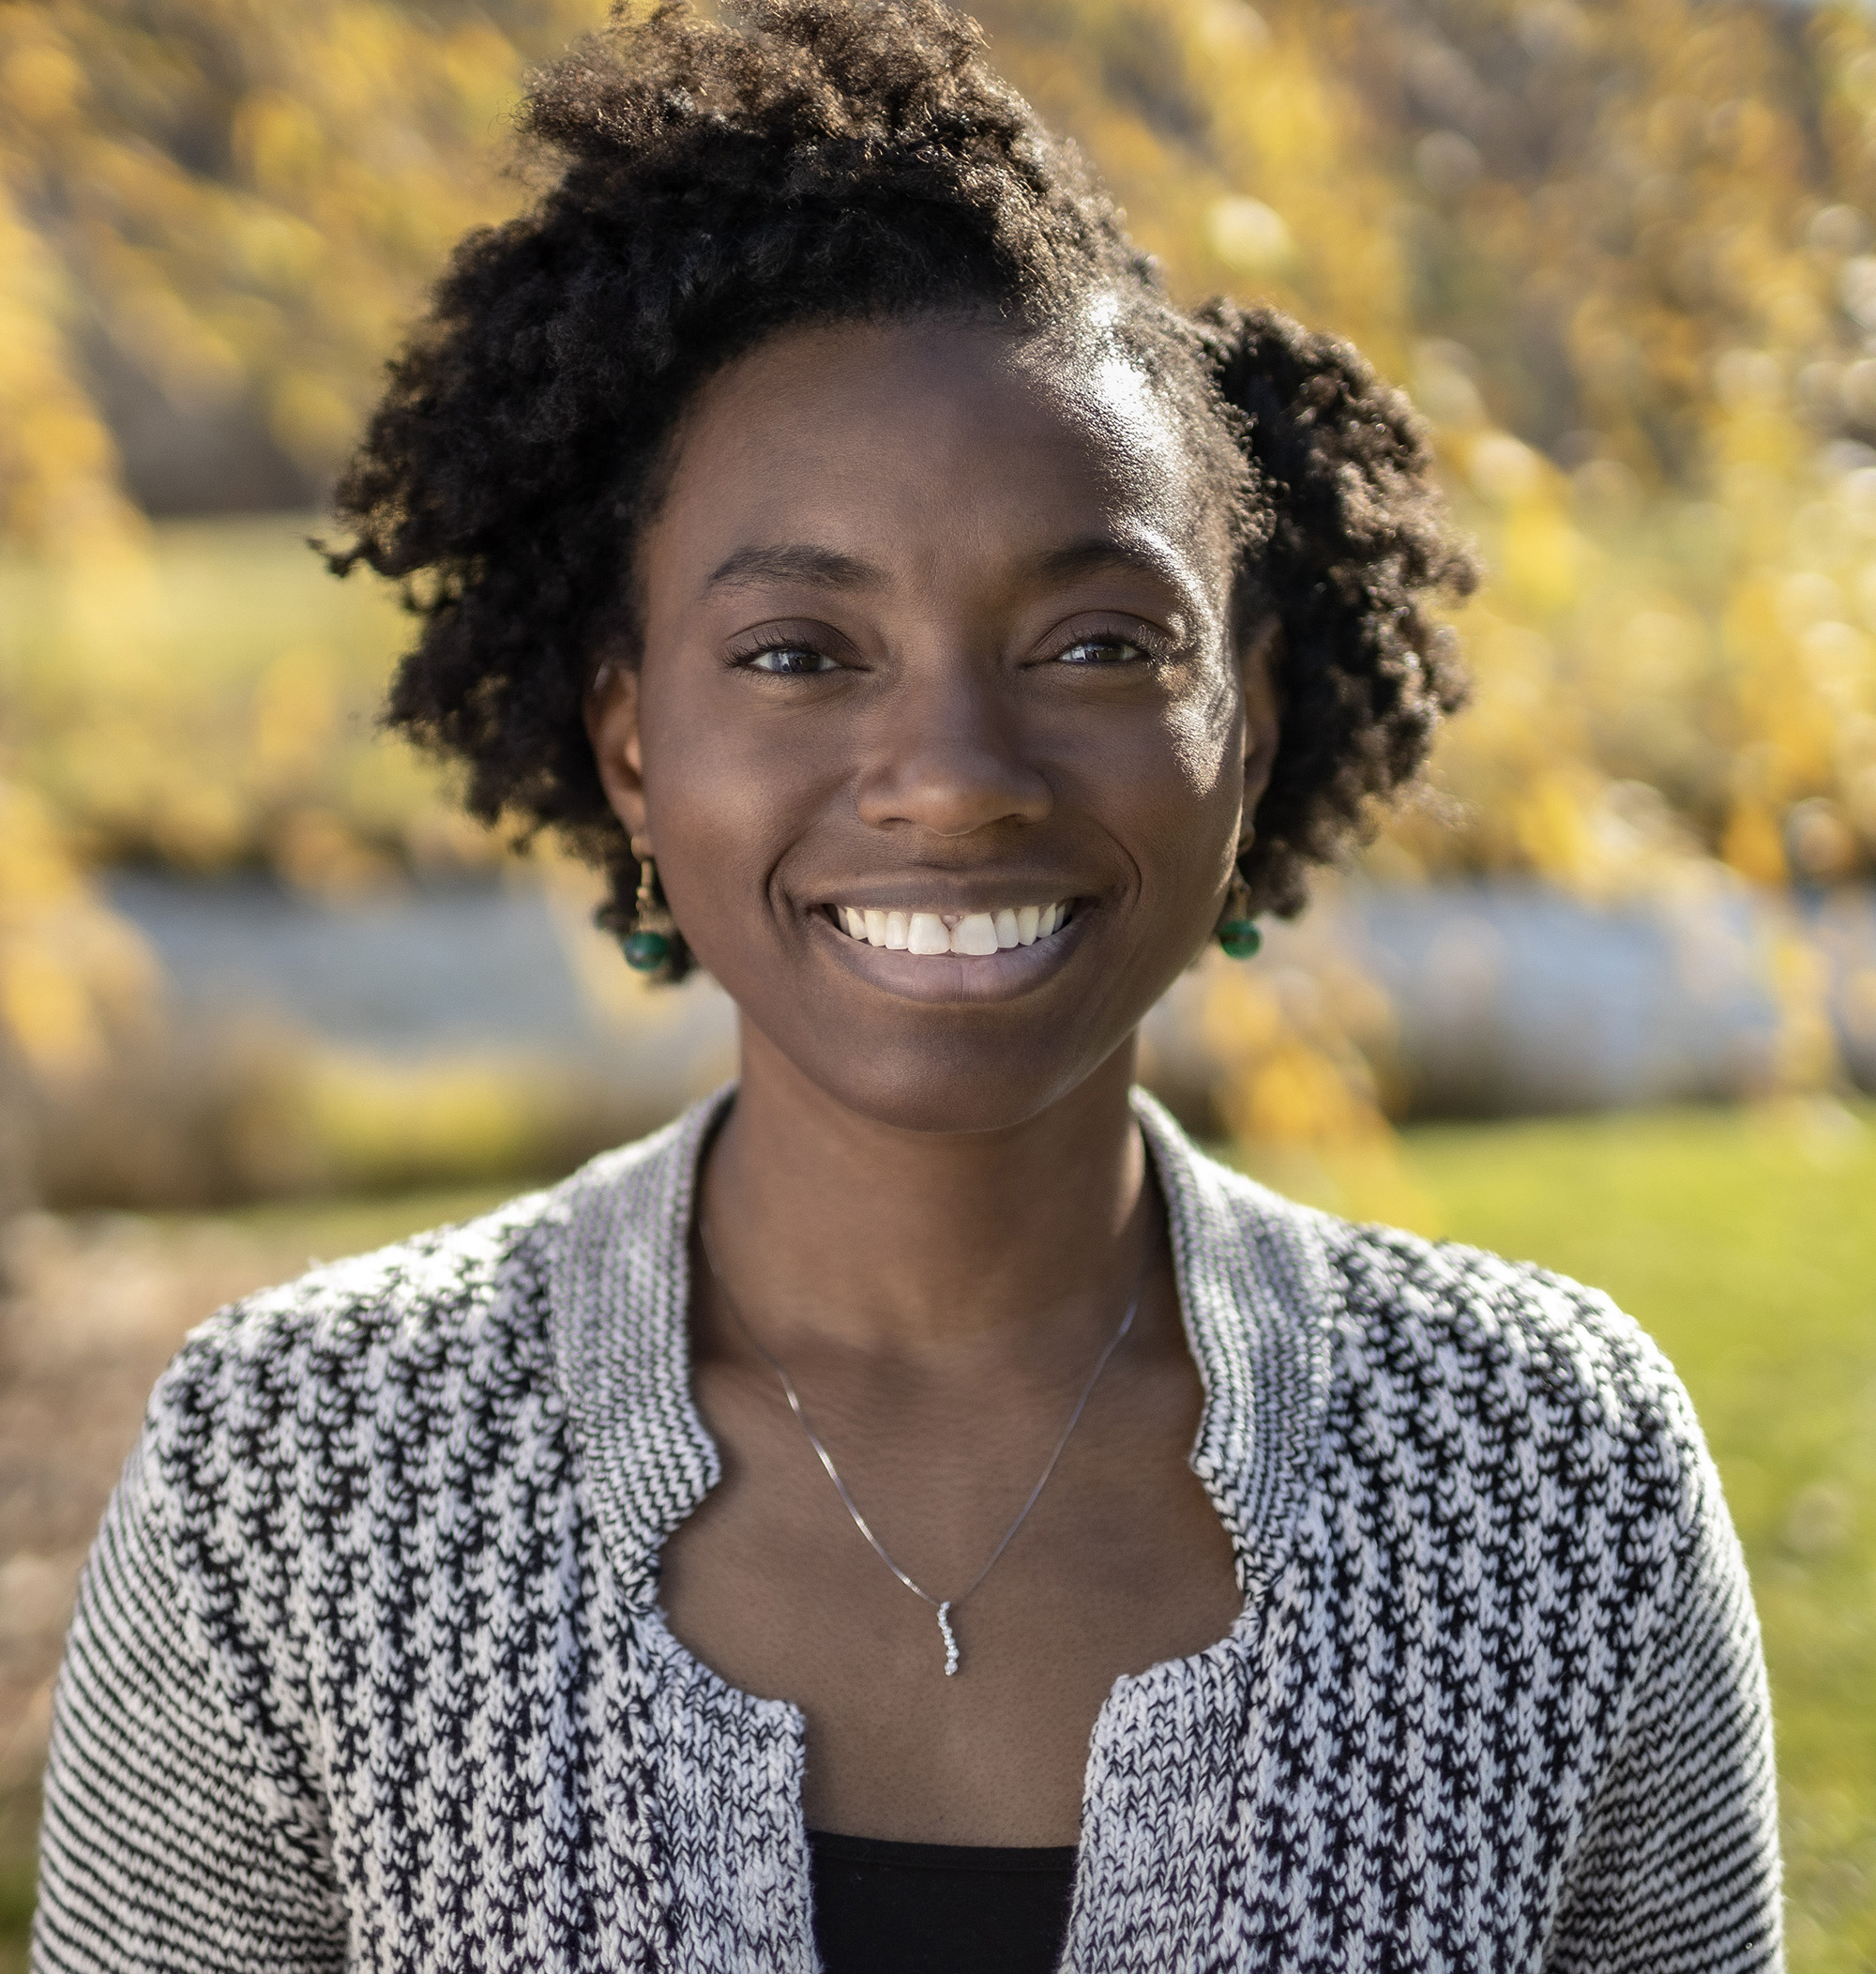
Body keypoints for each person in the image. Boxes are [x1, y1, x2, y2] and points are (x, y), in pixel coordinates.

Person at [34, 3, 1780, 1968]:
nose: (953, 771)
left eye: (1100, 640)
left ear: (1254, 728)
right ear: (629, 744)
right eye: (797, 649)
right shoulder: (304, 1471)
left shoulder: (1538, 1466)